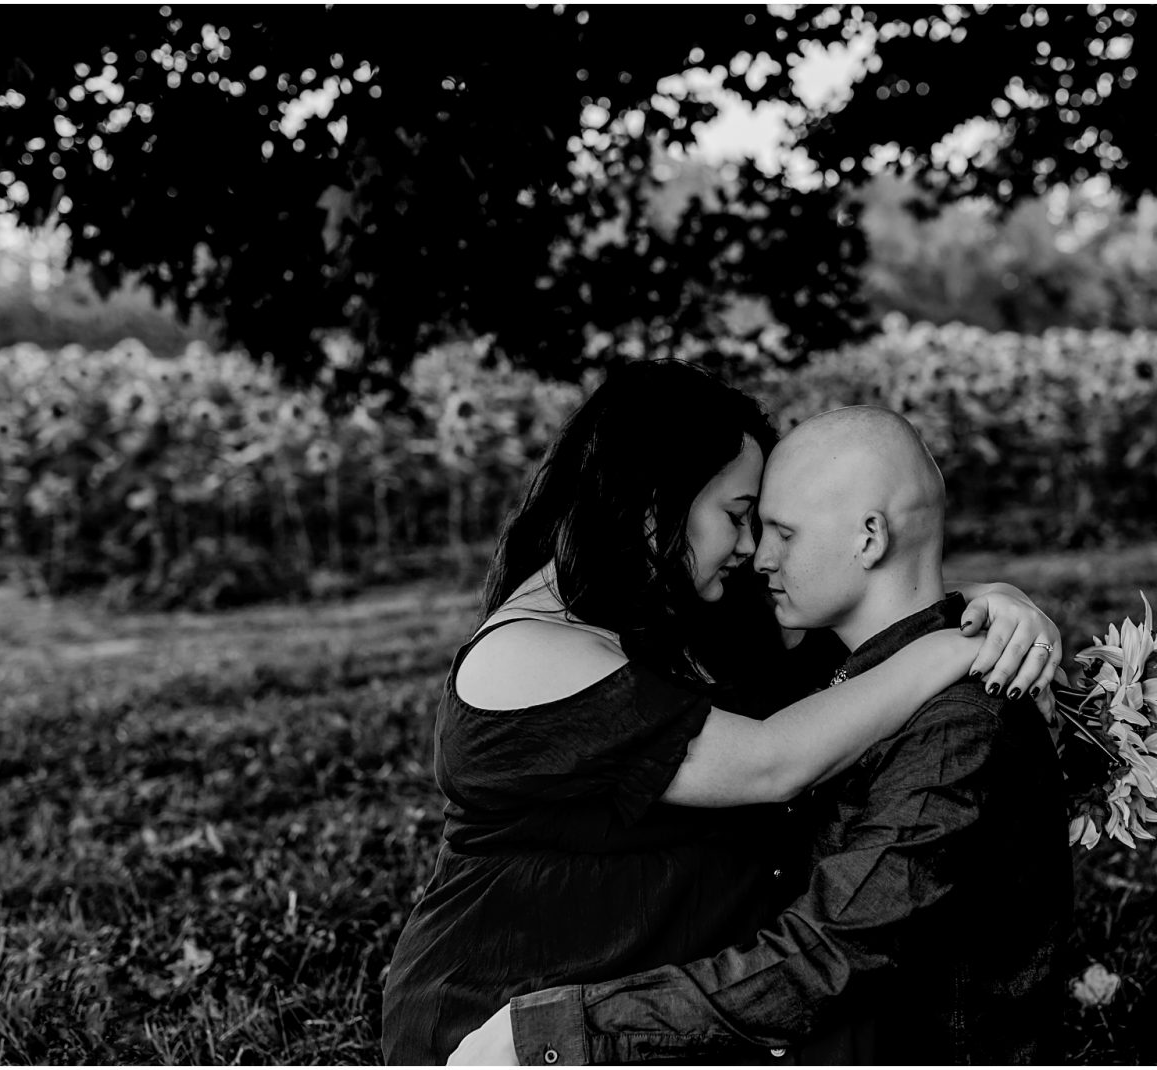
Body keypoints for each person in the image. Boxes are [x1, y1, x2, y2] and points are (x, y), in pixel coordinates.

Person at [382, 363, 1064, 1065]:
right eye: (739, 517)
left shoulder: (662, 609)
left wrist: (989, 602)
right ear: (653, 499)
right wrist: (950, 649)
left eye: (770, 527)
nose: (750, 550)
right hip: (504, 1018)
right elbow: (774, 760)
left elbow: (869, 597)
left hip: (632, 1012)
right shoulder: (530, 652)